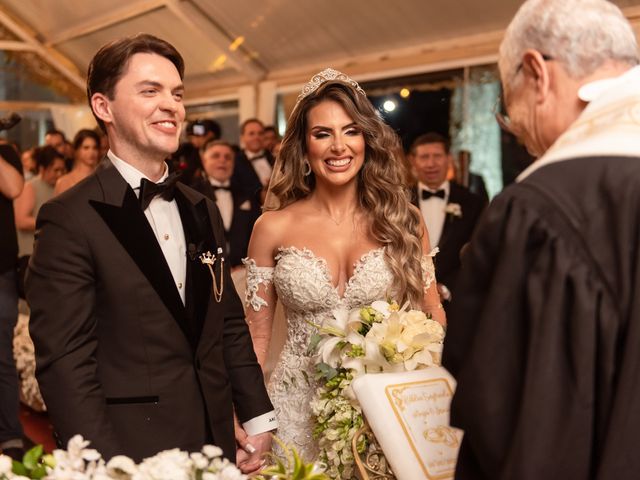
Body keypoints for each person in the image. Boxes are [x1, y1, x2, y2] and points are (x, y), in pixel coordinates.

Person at [25, 33, 275, 471]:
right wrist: (106, 465)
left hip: (216, 441)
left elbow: (228, 325)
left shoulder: (202, 209)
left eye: (176, 94)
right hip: (128, 447)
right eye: (150, 91)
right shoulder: (69, 217)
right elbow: (66, 363)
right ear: (104, 107)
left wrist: (257, 417)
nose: (172, 105)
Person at [442, 1, 640, 478]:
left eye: (511, 107)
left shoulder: (541, 210)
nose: (521, 135)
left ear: (536, 74)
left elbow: (522, 421)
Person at [243, 68, 446, 461]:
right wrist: (248, 416)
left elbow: (431, 311)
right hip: (294, 412)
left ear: (367, 139)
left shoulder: (404, 220)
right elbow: (256, 339)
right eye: (323, 134)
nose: (339, 146)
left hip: (383, 412)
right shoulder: (271, 227)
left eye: (351, 131)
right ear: (304, 146)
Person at [408, 133, 485, 307]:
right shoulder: (399, 201)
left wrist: (447, 288)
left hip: (459, 302)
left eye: (437, 156)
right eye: (424, 157)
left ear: (448, 159)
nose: (431, 163)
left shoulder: (472, 202)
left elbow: (477, 253)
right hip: (409, 300)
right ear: (412, 161)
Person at [191, 140, 261, 268]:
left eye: (228, 157)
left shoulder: (246, 195)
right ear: (204, 161)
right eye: (216, 156)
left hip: (242, 272)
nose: (222, 160)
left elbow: (256, 235)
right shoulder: (192, 195)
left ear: (233, 164)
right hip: (205, 272)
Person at [0, 144, 25, 460]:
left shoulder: (5, 152)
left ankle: (9, 436)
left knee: (1, 358)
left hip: (1, 271)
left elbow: (14, 187)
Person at [14, 146, 66, 257]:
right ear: (42, 169)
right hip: (30, 254)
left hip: (50, 251)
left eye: (62, 170)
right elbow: (21, 221)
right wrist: (52, 220)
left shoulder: (61, 185)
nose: (60, 174)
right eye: (56, 170)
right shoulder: (31, 187)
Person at [231, 118, 274, 204]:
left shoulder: (275, 157)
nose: (256, 137)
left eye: (260, 133)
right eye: (251, 134)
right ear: (242, 138)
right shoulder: (234, 162)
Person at [54, 129, 101, 195]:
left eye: (95, 148)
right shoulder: (64, 182)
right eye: (86, 148)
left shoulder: (103, 178)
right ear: (77, 150)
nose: (91, 152)